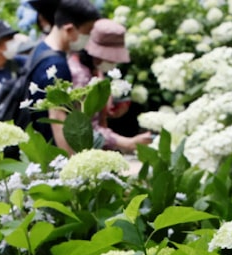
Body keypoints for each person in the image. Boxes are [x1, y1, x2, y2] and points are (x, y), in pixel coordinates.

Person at [67, 19, 151, 153]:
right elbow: (84, 127)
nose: (114, 62)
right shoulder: (80, 76)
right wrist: (128, 143)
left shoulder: (94, 69)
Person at [28, 0, 101, 152]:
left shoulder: (40, 49)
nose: (88, 38)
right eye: (87, 33)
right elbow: (58, 117)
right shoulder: (56, 65)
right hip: (50, 152)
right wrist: (72, 164)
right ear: (69, 29)